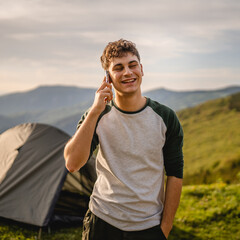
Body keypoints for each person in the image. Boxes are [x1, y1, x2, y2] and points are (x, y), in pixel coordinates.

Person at [64, 39, 184, 240]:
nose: (128, 72)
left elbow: (175, 174)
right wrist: (94, 111)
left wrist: (165, 228)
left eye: (132, 65)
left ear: (141, 69)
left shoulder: (165, 117)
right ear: (108, 77)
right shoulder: (97, 116)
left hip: (148, 227)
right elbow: (73, 163)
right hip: (102, 222)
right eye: (118, 68)